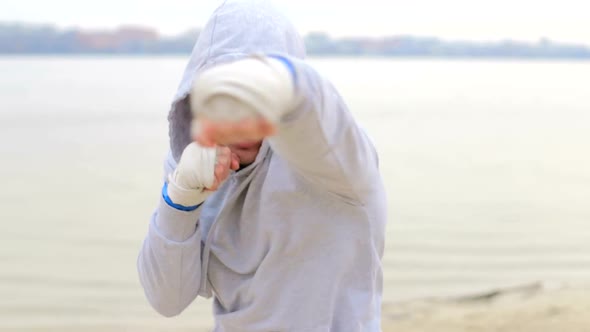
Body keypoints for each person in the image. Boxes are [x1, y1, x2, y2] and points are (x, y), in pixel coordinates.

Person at [137, 0, 387, 331]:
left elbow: (314, 103)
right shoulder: (193, 166)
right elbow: (167, 299)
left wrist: (272, 84)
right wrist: (179, 200)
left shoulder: (339, 162)